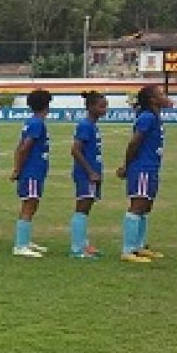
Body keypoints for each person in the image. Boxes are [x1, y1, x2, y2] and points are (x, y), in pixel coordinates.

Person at [117, 83, 171, 263]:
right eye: (161, 94)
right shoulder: (147, 117)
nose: (166, 96)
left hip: (151, 167)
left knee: (146, 207)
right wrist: (126, 165)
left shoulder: (155, 116)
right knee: (137, 206)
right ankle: (128, 250)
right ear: (152, 99)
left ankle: (138, 247)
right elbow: (134, 143)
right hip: (142, 168)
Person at [9, 88, 53, 258]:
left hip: (36, 170)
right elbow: (24, 148)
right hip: (32, 171)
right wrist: (18, 169)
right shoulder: (36, 123)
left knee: (32, 204)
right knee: (29, 204)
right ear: (46, 105)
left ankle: (25, 240)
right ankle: (20, 245)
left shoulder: (34, 122)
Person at [70, 91, 108, 259]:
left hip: (92, 173)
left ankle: (83, 244)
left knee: (87, 208)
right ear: (90, 107)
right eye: (101, 106)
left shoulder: (93, 125)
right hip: (86, 174)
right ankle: (77, 248)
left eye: (106, 105)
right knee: (82, 208)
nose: (105, 109)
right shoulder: (85, 125)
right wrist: (90, 171)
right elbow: (75, 150)